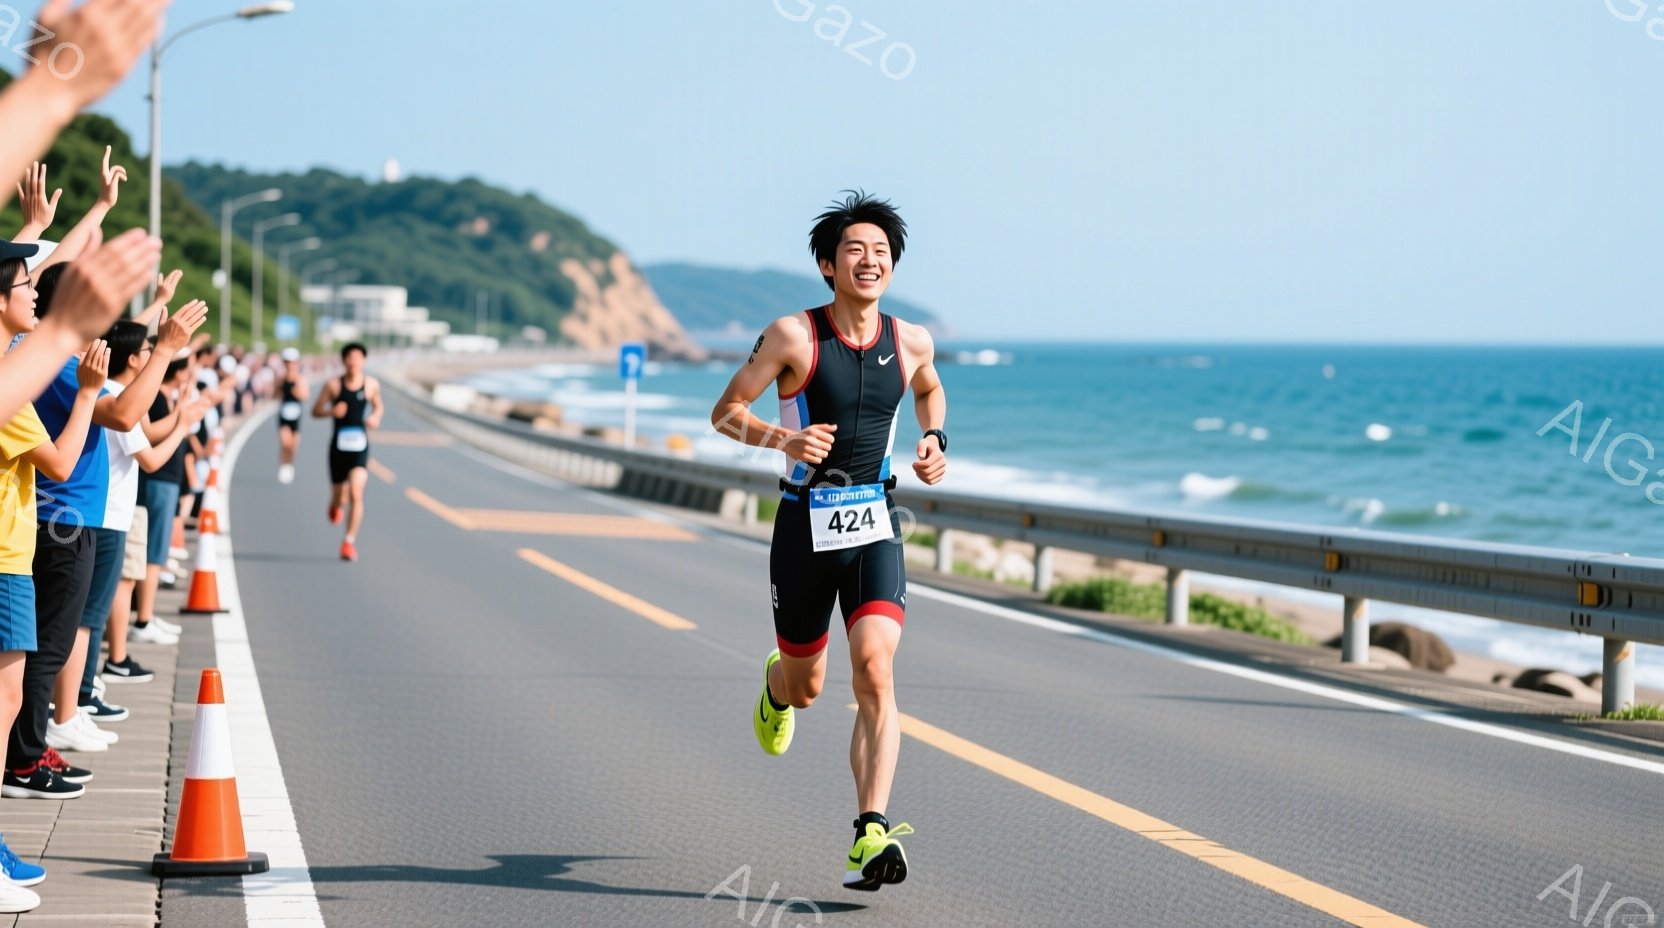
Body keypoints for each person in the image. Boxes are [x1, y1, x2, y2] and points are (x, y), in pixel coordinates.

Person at [709, 191, 948, 891]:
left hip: (876, 522)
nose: (869, 260)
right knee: (807, 687)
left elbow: (930, 389)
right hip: (802, 527)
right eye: (855, 250)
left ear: (892, 265)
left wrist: (935, 437)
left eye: (881, 251)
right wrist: (782, 439)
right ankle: (776, 688)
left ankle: (869, 833)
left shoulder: (912, 340)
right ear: (827, 265)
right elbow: (725, 412)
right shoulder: (793, 336)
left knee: (875, 669)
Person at [131, 352, 194, 646]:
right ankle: (143, 619)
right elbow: (151, 436)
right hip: (158, 479)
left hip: (165, 478)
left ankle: (147, 616)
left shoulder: (162, 395)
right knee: (153, 553)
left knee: (156, 552)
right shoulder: (154, 397)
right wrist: (182, 417)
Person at [311, 343, 382, 562]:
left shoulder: (371, 384)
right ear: (344, 361)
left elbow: (378, 406)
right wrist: (331, 411)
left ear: (364, 361)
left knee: (356, 493)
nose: (354, 362)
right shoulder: (333, 385)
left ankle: (348, 542)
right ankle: (335, 505)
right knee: (340, 496)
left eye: (358, 358)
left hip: (360, 446)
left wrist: (375, 417)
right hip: (338, 447)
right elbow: (315, 410)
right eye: (350, 358)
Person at [275, 347, 308, 484]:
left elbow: (305, 396)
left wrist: (296, 392)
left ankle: (290, 464)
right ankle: (284, 465)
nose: (290, 365)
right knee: (285, 442)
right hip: (284, 414)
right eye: (287, 362)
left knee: (293, 446)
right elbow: (275, 394)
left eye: (292, 362)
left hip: (296, 415)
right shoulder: (280, 379)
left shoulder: (300, 379)